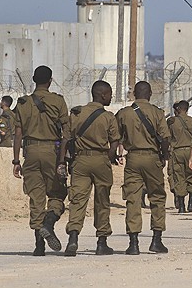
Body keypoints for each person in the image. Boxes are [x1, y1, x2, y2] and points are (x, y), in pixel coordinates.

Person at [12, 65, 70, 256]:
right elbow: (66, 134)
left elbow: (18, 134)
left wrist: (16, 161)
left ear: (34, 80)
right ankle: (49, 223)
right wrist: (62, 160)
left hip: (30, 151)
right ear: (50, 81)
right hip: (51, 151)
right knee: (57, 192)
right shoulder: (58, 101)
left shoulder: (22, 103)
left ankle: (39, 245)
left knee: (36, 197)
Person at [62, 80, 120, 256]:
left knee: (78, 200)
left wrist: (62, 162)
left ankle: (73, 238)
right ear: (102, 95)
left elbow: (66, 139)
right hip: (101, 159)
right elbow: (115, 141)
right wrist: (108, 157)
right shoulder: (108, 117)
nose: (111, 97)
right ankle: (102, 242)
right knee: (102, 201)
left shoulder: (77, 113)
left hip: (80, 161)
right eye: (109, 94)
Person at [115, 81, 170, 255]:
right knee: (157, 197)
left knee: (133, 198)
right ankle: (156, 240)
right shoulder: (157, 113)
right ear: (150, 94)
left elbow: (117, 137)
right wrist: (164, 156)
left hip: (132, 158)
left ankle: (133, 243)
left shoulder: (124, 113)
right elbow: (165, 138)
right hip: (152, 157)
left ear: (134, 94)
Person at [167, 100, 192, 213]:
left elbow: (167, 137)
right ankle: (191, 203)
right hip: (191, 151)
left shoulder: (172, 121)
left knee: (179, 177)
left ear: (178, 108)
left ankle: (181, 206)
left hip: (177, 151)